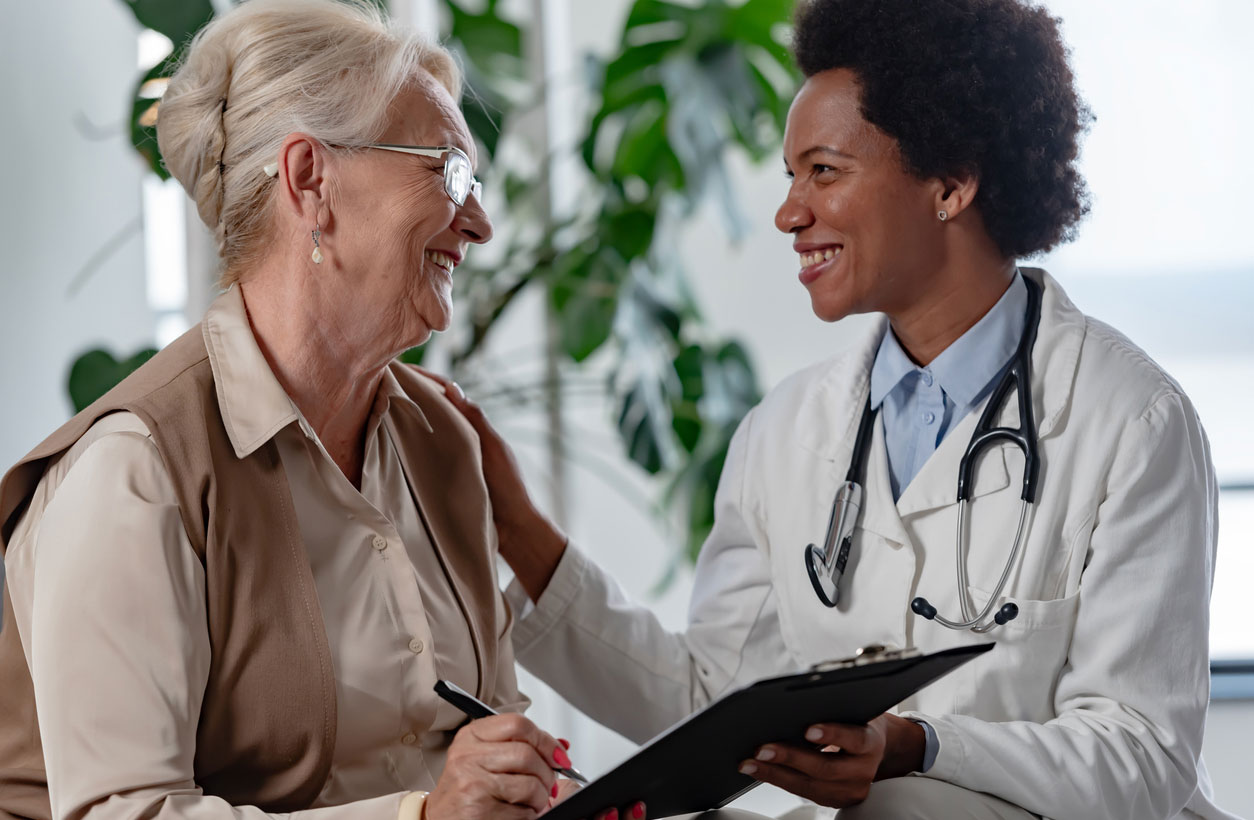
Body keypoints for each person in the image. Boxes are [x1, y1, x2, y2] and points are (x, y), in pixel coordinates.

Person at [431, 0, 1237, 817]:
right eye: (791, 175)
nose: (789, 212)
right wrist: (521, 533)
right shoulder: (786, 435)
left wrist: (915, 746)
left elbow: (1144, 756)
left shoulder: (1132, 423)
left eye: (823, 170)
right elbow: (710, 705)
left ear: (951, 183)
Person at [0, 2, 599, 820]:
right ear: (310, 181)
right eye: (448, 172)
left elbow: (490, 740)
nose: (482, 223)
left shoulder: (443, 442)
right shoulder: (134, 471)